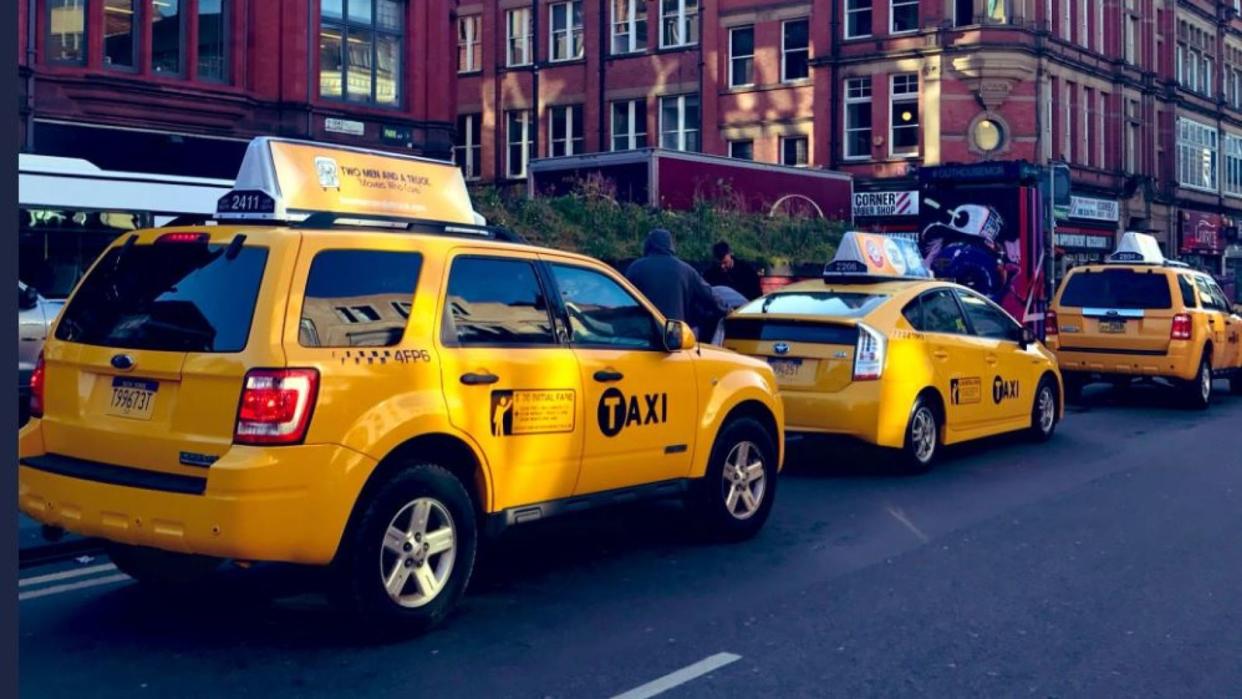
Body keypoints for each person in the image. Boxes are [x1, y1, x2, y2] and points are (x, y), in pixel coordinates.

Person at [626, 229, 723, 338]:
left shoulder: (635, 268)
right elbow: (709, 296)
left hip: (642, 336)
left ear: (648, 245)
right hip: (673, 335)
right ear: (671, 246)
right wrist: (728, 310)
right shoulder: (686, 270)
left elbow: (621, 299)